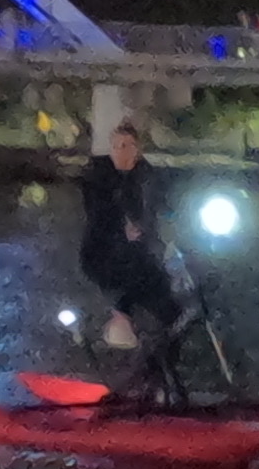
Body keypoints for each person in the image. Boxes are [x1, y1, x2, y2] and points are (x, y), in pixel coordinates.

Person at [77, 117, 187, 400]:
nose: (121, 152)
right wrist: (122, 227)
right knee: (134, 281)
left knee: (175, 316)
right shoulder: (98, 179)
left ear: (138, 150)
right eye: (116, 146)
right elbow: (100, 215)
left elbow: (163, 210)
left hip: (141, 260)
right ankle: (121, 325)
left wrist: (165, 228)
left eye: (127, 146)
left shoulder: (149, 178)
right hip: (104, 257)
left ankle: (158, 379)